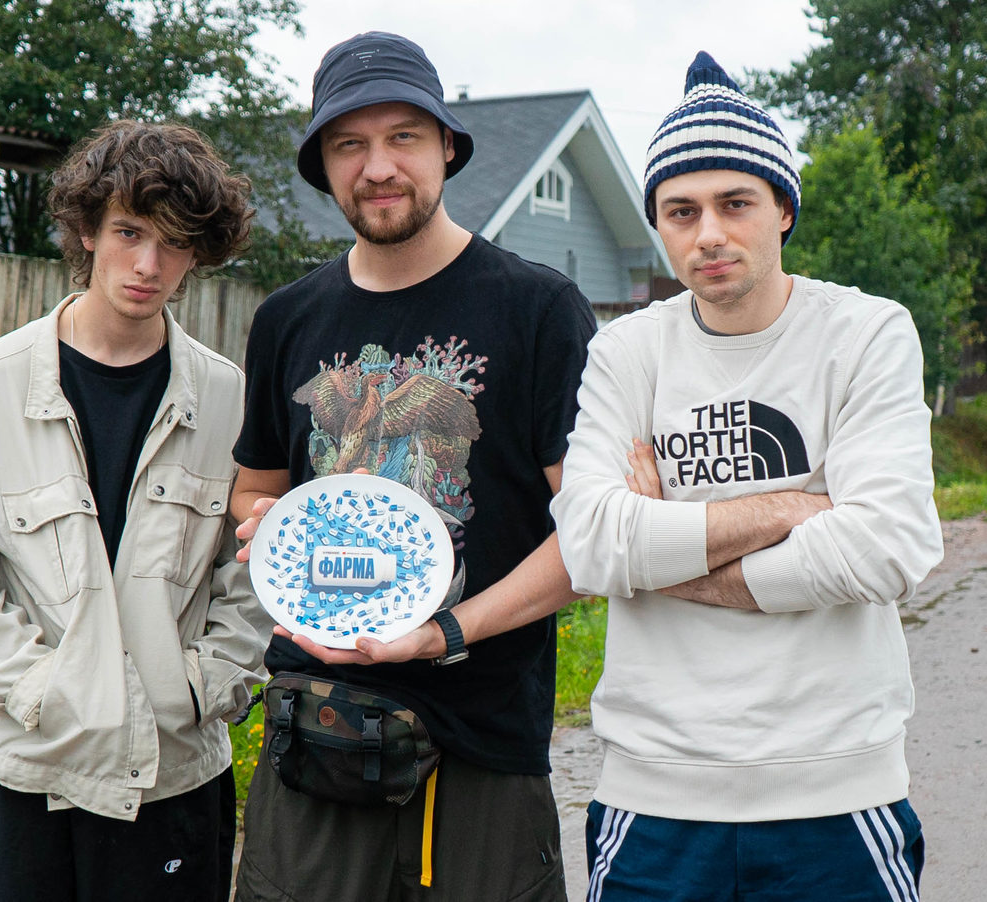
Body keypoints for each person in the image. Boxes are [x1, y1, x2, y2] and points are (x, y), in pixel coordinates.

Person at [551, 52, 944, 901]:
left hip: (836, 788)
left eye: (736, 204)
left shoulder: (864, 334)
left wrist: (661, 557)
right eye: (681, 211)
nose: (709, 235)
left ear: (784, 210)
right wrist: (795, 507)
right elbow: (588, 546)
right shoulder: (628, 350)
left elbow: (886, 547)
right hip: (653, 794)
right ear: (659, 225)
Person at [229, 31, 597, 902]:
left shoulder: (539, 309)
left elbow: (592, 533)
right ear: (324, 166)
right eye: (348, 144)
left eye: (403, 137)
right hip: (316, 730)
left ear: (447, 148)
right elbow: (255, 488)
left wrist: (446, 633)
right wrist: (265, 531)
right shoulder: (287, 320)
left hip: (480, 745)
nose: (378, 167)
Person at [0, 120, 271, 902]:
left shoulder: (228, 398)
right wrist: (38, 688)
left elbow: (251, 570)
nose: (148, 266)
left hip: (174, 774)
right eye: (130, 232)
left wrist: (206, 685)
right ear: (87, 230)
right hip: (26, 772)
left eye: (175, 243)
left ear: (199, 255)